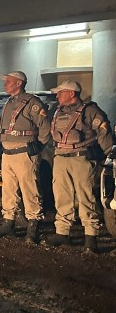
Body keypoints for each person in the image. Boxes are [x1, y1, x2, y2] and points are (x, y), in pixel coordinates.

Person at [45, 80, 113, 253]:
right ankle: (62, 232)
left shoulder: (90, 110)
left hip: (81, 158)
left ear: (72, 93)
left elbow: (104, 131)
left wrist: (110, 155)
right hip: (60, 157)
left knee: (85, 197)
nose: (57, 95)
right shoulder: (57, 111)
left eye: (61, 92)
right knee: (61, 196)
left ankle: (91, 236)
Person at [0, 71, 50, 244]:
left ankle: (33, 227)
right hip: (7, 153)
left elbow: (44, 128)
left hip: (25, 152)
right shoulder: (8, 103)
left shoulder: (32, 103)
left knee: (29, 189)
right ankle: (8, 222)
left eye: (9, 81)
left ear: (19, 83)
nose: (5, 84)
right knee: (8, 190)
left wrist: (38, 147)